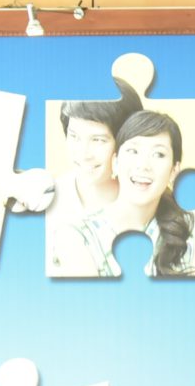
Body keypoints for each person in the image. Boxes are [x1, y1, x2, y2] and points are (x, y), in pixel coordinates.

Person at [41, 84, 144, 279]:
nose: (83, 154)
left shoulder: (151, 201)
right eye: (74, 136)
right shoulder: (45, 200)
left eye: (98, 140)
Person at [109, 110, 195, 279]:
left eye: (158, 154)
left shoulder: (194, 228)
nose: (143, 165)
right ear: (115, 162)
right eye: (133, 151)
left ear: (174, 171)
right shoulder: (80, 233)